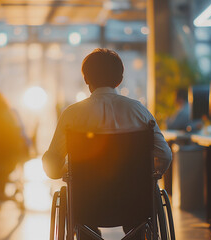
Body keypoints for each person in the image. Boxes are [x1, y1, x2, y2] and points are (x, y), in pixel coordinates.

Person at [42, 48, 172, 239]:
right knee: (142, 212)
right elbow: (165, 156)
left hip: (86, 204)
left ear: (86, 79)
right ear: (119, 79)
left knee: (80, 213)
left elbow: (52, 165)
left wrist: (66, 170)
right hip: (135, 204)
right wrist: (147, 175)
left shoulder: (72, 114)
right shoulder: (139, 112)